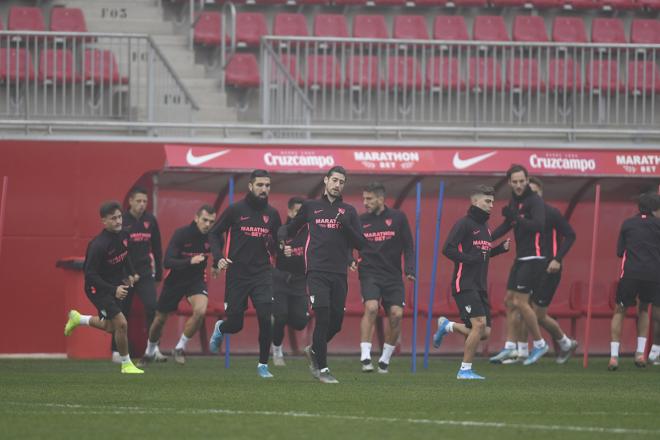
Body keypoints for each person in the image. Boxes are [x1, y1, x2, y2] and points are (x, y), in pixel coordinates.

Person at [278, 166, 366, 384]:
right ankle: (323, 370)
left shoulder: (349, 211)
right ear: (326, 181)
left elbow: (361, 243)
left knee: (336, 323)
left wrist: (346, 228)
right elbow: (291, 228)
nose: (337, 185)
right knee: (323, 318)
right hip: (316, 271)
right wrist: (281, 236)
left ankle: (314, 349)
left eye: (341, 182)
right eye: (334, 180)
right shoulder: (311, 207)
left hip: (339, 273)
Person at [208, 170, 282, 379]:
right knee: (236, 324)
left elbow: (278, 242)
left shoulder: (273, 214)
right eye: (260, 185)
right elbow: (213, 233)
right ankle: (221, 328)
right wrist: (217, 258)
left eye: (267, 185)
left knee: (266, 317)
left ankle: (263, 365)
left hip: (262, 273)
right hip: (237, 273)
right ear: (250, 186)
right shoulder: (235, 210)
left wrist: (283, 250)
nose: (264, 189)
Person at [432, 185, 510, 380]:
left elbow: (482, 255)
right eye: (487, 201)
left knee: (484, 332)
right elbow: (447, 249)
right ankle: (464, 370)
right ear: (475, 201)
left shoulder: (485, 228)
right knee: (479, 325)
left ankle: (448, 327)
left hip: (480, 286)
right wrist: (468, 259)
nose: (491, 205)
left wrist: (499, 249)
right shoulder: (464, 224)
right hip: (464, 283)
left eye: (492, 201)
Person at [64, 201, 143, 374]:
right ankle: (126, 364)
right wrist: (113, 289)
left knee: (111, 327)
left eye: (119, 217)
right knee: (121, 324)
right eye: (113, 218)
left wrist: (130, 273)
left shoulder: (124, 235)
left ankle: (79, 319)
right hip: (96, 288)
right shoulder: (98, 245)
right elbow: (90, 275)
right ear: (104, 221)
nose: (118, 221)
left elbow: (125, 254)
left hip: (114, 284)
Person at [140, 205, 216, 366]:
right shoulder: (182, 234)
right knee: (159, 320)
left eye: (211, 221)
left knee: (200, 311)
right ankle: (149, 351)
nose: (208, 224)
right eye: (205, 220)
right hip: (175, 280)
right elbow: (168, 262)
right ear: (196, 218)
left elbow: (218, 253)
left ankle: (180, 347)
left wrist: (217, 264)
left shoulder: (213, 237)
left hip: (196, 281)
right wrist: (190, 261)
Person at [489, 164, 550, 366]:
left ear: (527, 179)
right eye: (514, 182)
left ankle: (540, 343)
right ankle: (509, 346)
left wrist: (516, 217)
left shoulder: (534, 201)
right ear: (509, 182)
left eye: (521, 181)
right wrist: (487, 238)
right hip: (521, 257)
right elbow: (508, 225)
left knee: (521, 302)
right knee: (509, 300)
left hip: (534, 258)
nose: (518, 185)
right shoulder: (515, 201)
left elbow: (538, 225)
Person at [356, 182, 415, 374]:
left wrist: (410, 268)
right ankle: (365, 356)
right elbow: (349, 243)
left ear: (381, 199)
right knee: (371, 307)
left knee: (396, 315)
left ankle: (384, 359)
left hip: (392, 275)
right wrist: (349, 259)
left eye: (369, 199)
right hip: (369, 272)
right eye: (364, 198)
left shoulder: (398, 218)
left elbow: (408, 245)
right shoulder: (360, 220)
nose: (365, 202)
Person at [524, 177, 579, 364]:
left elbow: (571, 235)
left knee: (538, 314)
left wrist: (557, 259)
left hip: (549, 269)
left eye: (535, 192)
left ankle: (565, 342)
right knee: (520, 307)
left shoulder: (552, 212)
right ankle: (521, 351)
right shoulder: (525, 215)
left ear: (541, 193)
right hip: (531, 268)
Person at [110, 186, 165, 364]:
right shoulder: (122, 221)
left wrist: (159, 275)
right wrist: (125, 273)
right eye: (139, 201)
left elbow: (156, 248)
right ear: (131, 201)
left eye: (145, 201)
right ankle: (117, 351)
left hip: (145, 272)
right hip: (125, 274)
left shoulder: (151, 220)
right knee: (121, 311)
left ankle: (153, 348)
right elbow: (116, 249)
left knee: (152, 307)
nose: (142, 205)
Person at [608, 192, 660, 371]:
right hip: (653, 275)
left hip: (630, 273)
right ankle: (640, 354)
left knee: (619, 310)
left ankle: (614, 357)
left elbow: (620, 252)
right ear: (655, 209)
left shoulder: (628, 224)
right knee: (644, 309)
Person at [271, 196, 309, 367]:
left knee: (300, 322)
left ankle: (282, 315)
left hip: (300, 281)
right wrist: (282, 247)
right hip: (280, 279)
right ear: (289, 211)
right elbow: (280, 240)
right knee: (280, 317)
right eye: (296, 211)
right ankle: (277, 350)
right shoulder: (282, 230)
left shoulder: (308, 232)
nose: (298, 215)